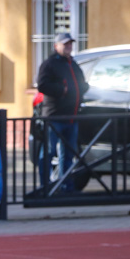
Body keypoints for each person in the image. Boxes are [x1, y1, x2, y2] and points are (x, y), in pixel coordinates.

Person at [36, 32, 89, 190]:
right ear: (56, 46)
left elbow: (82, 82)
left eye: (70, 44)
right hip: (54, 116)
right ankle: (45, 187)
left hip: (71, 117)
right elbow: (42, 85)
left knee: (68, 155)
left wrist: (82, 89)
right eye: (65, 44)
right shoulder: (50, 63)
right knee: (49, 152)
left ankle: (66, 185)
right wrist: (63, 90)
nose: (68, 47)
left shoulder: (72, 63)